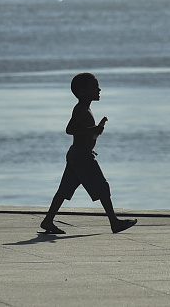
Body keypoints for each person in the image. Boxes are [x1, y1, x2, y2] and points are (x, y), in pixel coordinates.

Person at [40, 73, 137, 234]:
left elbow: (84, 133)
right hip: (82, 156)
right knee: (102, 186)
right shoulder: (80, 109)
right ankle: (114, 222)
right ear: (82, 91)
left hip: (78, 155)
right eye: (94, 87)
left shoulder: (86, 109)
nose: (99, 89)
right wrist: (93, 130)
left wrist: (96, 131)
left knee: (64, 189)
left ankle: (48, 220)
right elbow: (69, 129)